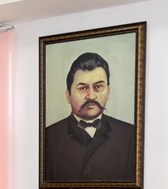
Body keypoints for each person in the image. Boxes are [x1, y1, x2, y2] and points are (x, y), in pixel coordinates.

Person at [43, 52, 135, 182]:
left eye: (98, 87)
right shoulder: (48, 138)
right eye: (82, 88)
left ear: (108, 92)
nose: (91, 96)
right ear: (68, 95)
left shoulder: (130, 135)